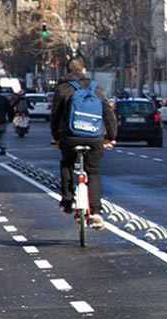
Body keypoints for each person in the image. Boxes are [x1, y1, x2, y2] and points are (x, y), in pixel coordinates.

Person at [50, 57, 118, 228]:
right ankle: (96, 211)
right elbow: (109, 115)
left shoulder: (62, 89)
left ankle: (67, 200)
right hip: (95, 139)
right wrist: (110, 136)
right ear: (84, 70)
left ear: (67, 71)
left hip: (70, 137)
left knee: (67, 163)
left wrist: (57, 138)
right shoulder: (96, 89)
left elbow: (55, 117)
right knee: (92, 171)